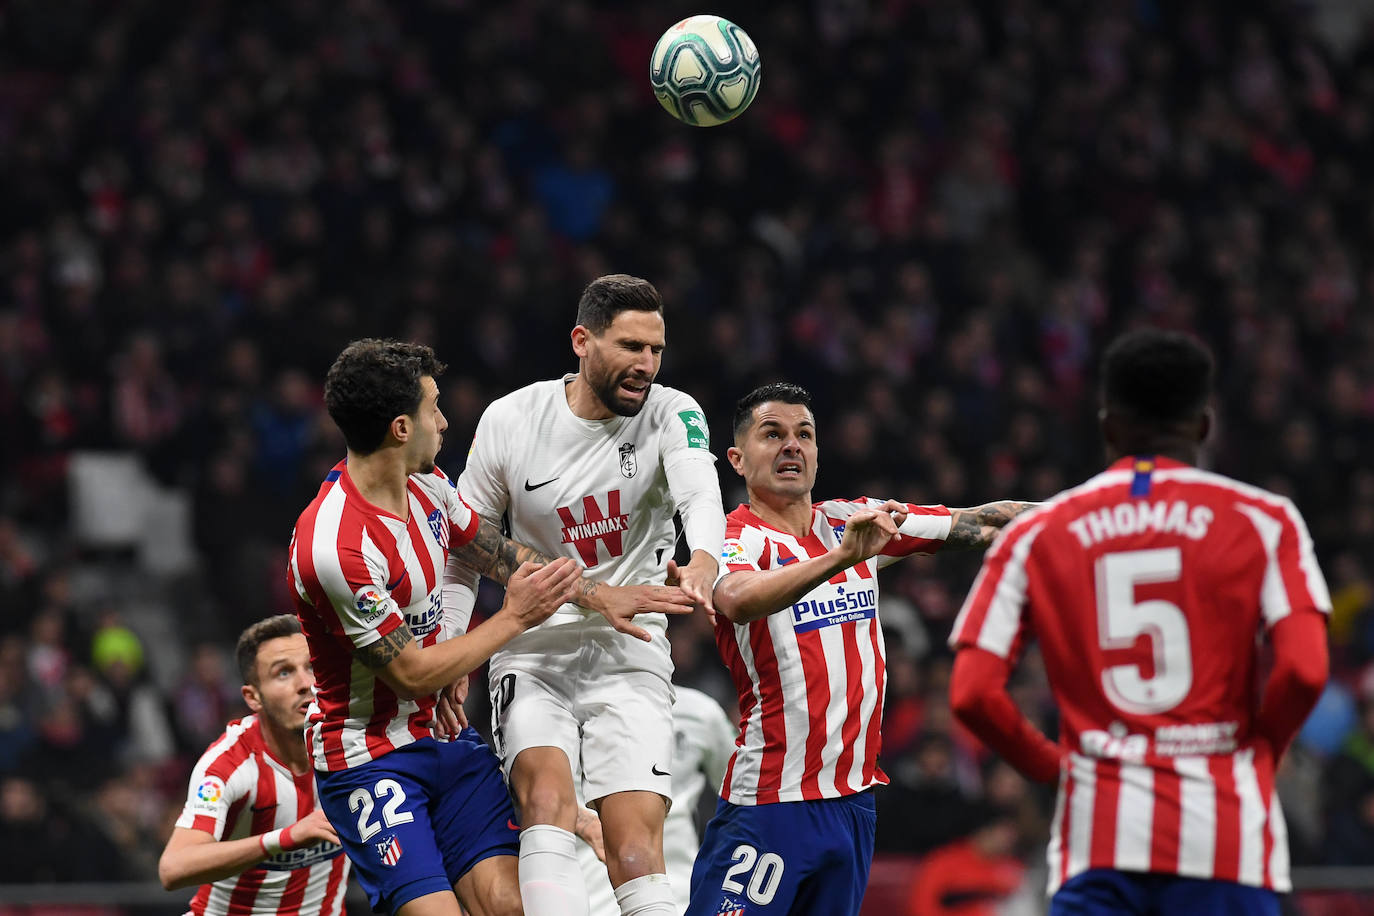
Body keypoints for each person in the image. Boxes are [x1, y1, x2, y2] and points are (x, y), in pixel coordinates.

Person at [948, 328, 1331, 915]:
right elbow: (1304, 671)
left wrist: (1056, 771)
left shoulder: (1036, 533)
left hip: (1098, 842)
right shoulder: (1266, 520)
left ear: (1107, 425)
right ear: (1204, 425)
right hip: (1225, 840)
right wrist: (1262, 751)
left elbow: (972, 694)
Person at [685, 381, 1033, 916]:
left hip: (853, 806)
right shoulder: (733, 538)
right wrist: (840, 559)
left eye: (804, 434)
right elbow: (734, 599)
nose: (791, 446)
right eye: (771, 434)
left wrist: (1089, 512)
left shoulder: (854, 520)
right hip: (772, 802)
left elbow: (983, 522)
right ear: (736, 458)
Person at [454, 273, 724, 916]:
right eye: (630, 346)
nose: (646, 366)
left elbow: (698, 489)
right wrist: (452, 653)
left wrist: (705, 560)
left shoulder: (672, 410)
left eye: (656, 350)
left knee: (633, 848)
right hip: (534, 648)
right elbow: (462, 546)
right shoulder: (512, 419)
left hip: (631, 652)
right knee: (544, 801)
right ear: (582, 340)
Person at [288, 339, 583, 916]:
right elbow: (412, 673)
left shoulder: (429, 488)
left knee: (511, 906)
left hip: (443, 737)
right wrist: (513, 617)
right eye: (434, 409)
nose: (444, 422)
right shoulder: (335, 545)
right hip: (368, 758)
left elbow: (498, 556)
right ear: (401, 428)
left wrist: (602, 592)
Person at [158, 615, 350, 916]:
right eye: (284, 673)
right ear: (253, 697)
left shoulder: (357, 746)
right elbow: (174, 867)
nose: (305, 684)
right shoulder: (228, 764)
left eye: (312, 667)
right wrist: (287, 838)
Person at [576, 685, 738, 916]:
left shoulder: (699, 712)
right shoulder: (559, 707)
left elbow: (747, 794)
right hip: (588, 901)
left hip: (681, 898)